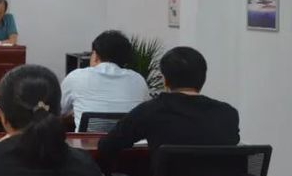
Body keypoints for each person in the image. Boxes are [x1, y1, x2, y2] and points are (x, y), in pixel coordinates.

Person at [98, 46, 240, 166]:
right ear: (203, 78)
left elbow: (107, 145)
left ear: (165, 80)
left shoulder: (150, 110)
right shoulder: (228, 113)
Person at [60, 30, 150, 129]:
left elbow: (58, 111)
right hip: (128, 139)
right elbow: (145, 115)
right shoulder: (138, 80)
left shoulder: (76, 77)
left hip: (88, 139)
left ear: (95, 55)